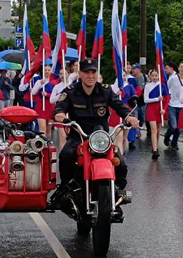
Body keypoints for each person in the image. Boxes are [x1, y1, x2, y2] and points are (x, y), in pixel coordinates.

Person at [53, 58, 139, 196]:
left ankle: (116, 190)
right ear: (79, 73)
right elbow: (59, 108)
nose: (90, 76)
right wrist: (61, 115)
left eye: (93, 72)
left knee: (121, 163)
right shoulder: (70, 92)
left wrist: (129, 117)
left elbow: (119, 105)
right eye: (87, 73)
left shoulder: (105, 91)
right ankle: (65, 188)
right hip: (79, 137)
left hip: (101, 139)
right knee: (66, 155)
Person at [143, 69, 170, 160]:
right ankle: (154, 150)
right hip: (151, 109)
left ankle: (156, 146)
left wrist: (164, 109)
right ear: (150, 76)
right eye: (152, 75)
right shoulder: (147, 86)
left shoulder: (162, 86)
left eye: (156, 75)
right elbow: (145, 100)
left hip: (160, 109)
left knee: (158, 130)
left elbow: (167, 99)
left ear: (158, 76)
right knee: (153, 130)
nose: (154, 77)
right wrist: (156, 99)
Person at [109, 76, 137, 154]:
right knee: (119, 137)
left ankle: (122, 155)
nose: (123, 77)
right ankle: (120, 158)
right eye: (121, 75)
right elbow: (110, 99)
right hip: (117, 112)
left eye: (124, 75)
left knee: (124, 138)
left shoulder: (130, 86)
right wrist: (116, 94)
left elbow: (134, 98)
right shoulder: (114, 87)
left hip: (127, 112)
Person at [163, 61, 183, 151]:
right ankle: (167, 137)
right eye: (181, 67)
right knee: (173, 126)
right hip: (172, 105)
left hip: (182, 106)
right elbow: (166, 89)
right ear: (178, 68)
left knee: (179, 128)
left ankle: (174, 143)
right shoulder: (173, 78)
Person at [32, 63, 57, 137]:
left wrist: (47, 95)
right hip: (41, 107)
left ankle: (48, 145)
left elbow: (56, 95)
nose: (47, 71)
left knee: (49, 129)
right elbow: (33, 92)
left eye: (49, 70)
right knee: (42, 130)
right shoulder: (39, 81)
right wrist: (40, 84)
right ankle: (43, 146)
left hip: (50, 107)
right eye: (45, 70)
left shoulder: (54, 82)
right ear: (42, 71)